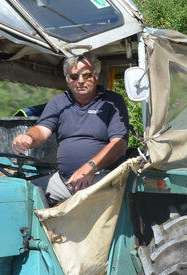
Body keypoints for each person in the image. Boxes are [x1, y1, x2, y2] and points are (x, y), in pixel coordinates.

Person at [12, 54, 128, 202]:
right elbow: (42, 129)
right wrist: (28, 137)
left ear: (96, 77)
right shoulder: (58, 103)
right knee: (21, 197)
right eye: (74, 77)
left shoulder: (112, 101)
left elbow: (119, 145)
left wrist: (90, 168)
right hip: (63, 181)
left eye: (87, 76)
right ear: (67, 80)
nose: (80, 81)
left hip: (102, 177)